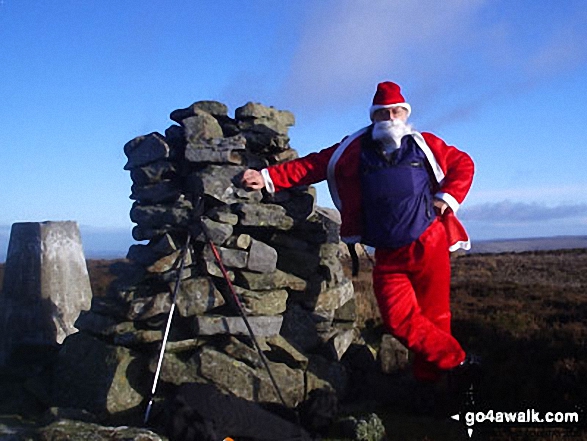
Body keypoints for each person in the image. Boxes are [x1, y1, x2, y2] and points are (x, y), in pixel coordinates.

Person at [241, 81, 477, 387]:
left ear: (405, 114)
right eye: (384, 113)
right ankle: (459, 361)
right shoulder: (353, 148)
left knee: (436, 316)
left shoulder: (424, 144)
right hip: (388, 254)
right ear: (374, 117)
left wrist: (446, 198)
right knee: (397, 319)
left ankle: (430, 382)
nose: (391, 118)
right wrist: (266, 176)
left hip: (429, 243)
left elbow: (463, 163)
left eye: (397, 111)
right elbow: (314, 165)